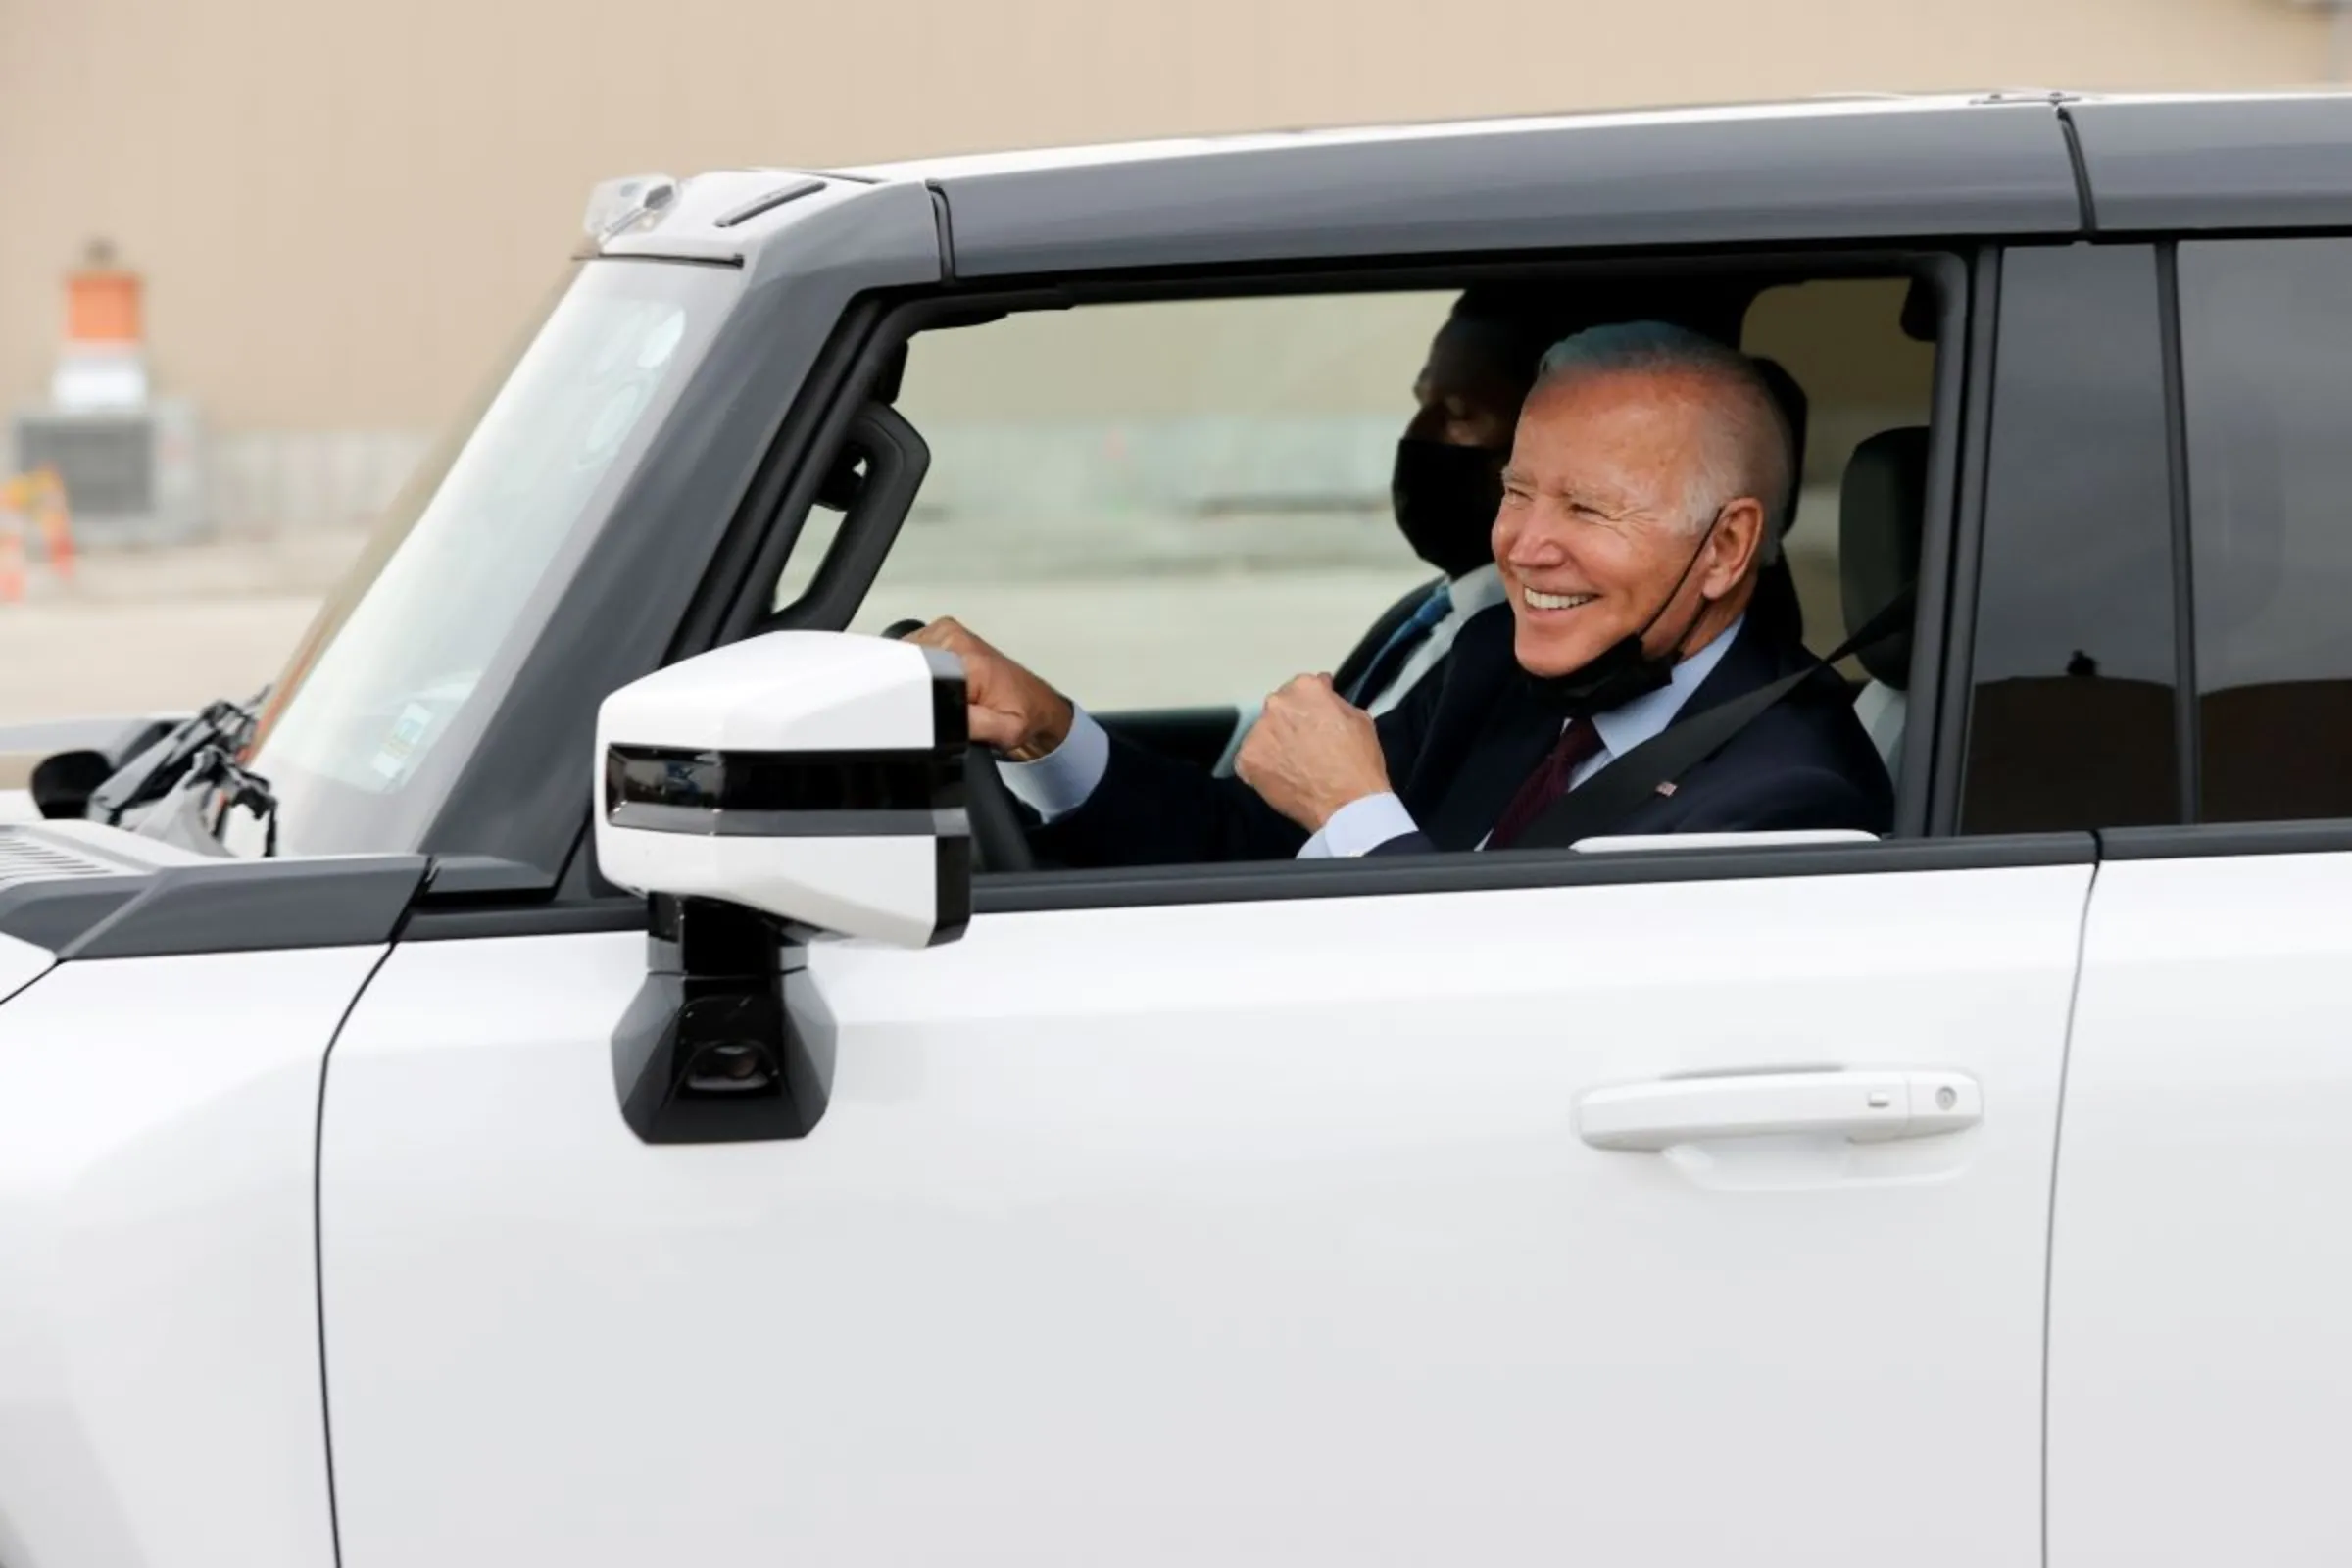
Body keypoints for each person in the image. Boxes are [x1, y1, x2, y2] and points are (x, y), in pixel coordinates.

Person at [912, 321, 1890, 866]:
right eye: (1517, 491)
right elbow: (1243, 843)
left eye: (1588, 509)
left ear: (1725, 548)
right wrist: (1044, 729)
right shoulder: (1498, 667)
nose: (1521, 545)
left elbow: (1518, 1039)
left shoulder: (1792, 800)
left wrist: (1355, 810)